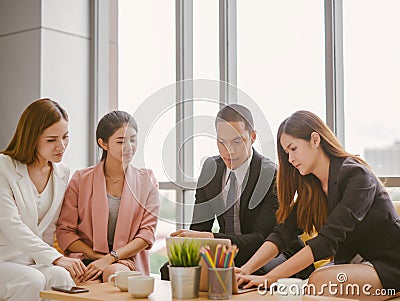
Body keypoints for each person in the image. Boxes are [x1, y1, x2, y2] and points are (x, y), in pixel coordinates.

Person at [237, 110, 400, 300]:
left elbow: (327, 241)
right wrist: (245, 270)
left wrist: (269, 278)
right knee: (313, 284)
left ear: (315, 139)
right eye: (287, 153)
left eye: (293, 149)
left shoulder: (357, 176)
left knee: (319, 282)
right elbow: (283, 233)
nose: (290, 159)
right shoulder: (312, 187)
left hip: (390, 262)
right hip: (356, 262)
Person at [162, 104, 312, 279]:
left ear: (252, 137)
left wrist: (210, 236)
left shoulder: (271, 175)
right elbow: (198, 229)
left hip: (273, 253)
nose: (229, 151)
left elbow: (260, 239)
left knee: (253, 273)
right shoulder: (210, 169)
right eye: (222, 142)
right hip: (229, 253)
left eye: (237, 141)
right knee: (171, 269)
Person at [56, 111, 159, 283]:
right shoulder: (80, 179)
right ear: (103, 144)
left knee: (115, 274)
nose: (129, 147)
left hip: (126, 260)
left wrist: (110, 258)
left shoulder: (147, 181)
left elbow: (147, 234)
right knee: (87, 283)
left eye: (133, 140)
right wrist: (97, 257)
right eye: (120, 141)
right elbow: (65, 232)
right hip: (85, 258)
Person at [0, 98, 86, 301]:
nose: (61, 146)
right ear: (32, 138)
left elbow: (50, 227)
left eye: (65, 137)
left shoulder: (62, 172)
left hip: (34, 261)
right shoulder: (4, 167)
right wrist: (54, 257)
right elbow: (11, 224)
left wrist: (54, 262)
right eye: (51, 140)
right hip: (3, 260)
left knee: (61, 276)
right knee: (32, 280)